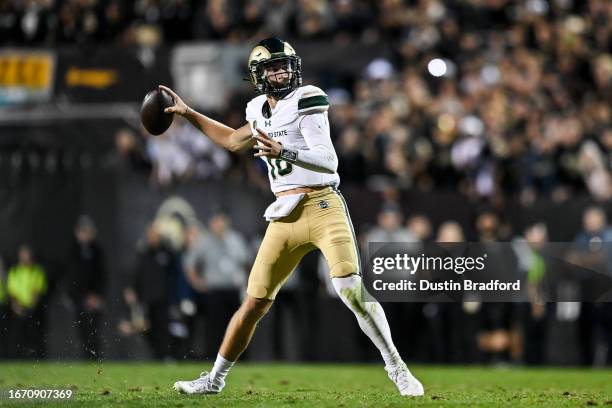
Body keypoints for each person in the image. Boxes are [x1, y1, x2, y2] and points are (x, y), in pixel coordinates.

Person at [163, 38, 423, 396]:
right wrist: (189, 113)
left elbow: (328, 160)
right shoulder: (256, 109)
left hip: (321, 204)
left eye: (285, 64)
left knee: (348, 287)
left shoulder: (308, 97)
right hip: (283, 214)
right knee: (254, 302)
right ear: (258, 75)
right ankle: (215, 379)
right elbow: (231, 140)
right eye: (273, 67)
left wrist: (284, 149)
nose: (282, 71)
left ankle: (397, 367)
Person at [66, 215, 106, 360]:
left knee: (94, 330)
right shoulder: (73, 250)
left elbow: (101, 276)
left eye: (87, 231)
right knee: (82, 329)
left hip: (93, 298)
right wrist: (73, 296)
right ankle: (86, 359)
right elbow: (71, 277)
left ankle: (95, 360)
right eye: (82, 231)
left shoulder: (97, 250)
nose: (84, 234)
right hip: (78, 297)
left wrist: (96, 295)